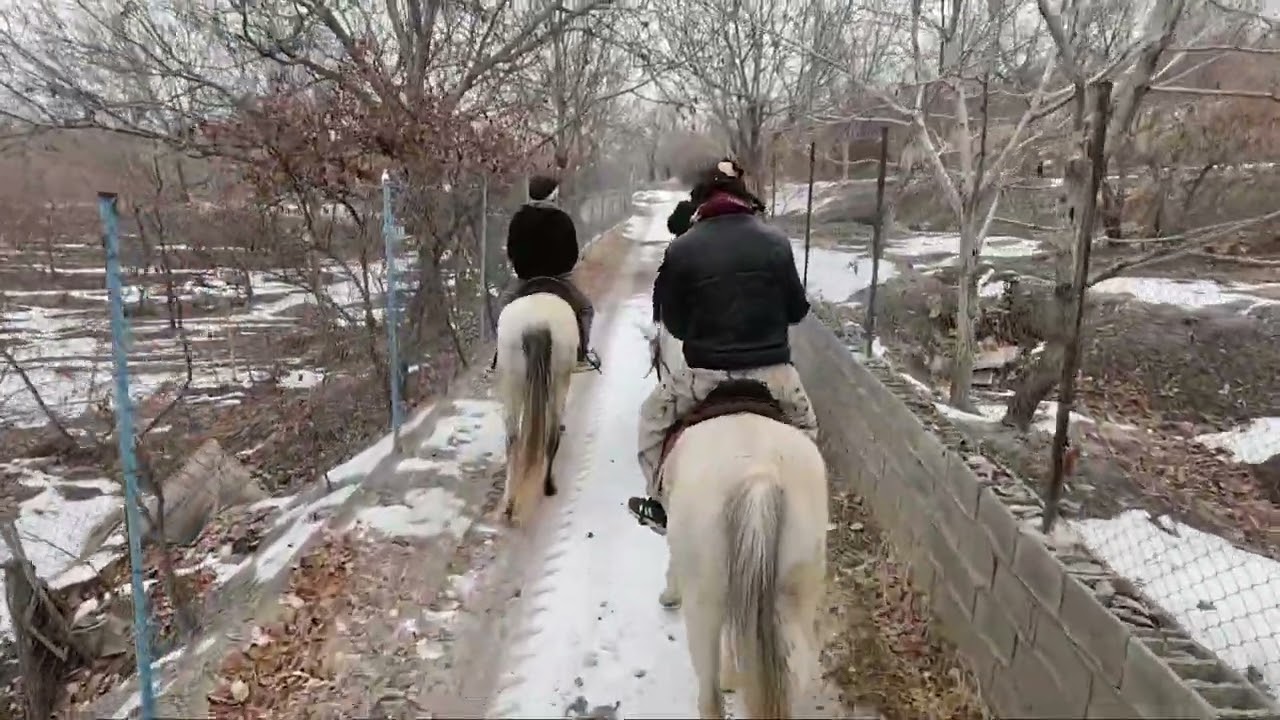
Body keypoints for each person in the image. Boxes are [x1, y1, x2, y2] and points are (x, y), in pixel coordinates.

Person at [629, 159, 819, 535]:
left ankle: (658, 503)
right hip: (775, 375)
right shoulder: (776, 241)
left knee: (652, 421)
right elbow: (797, 311)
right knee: (808, 432)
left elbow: (677, 326)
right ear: (744, 197)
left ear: (701, 201)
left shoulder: (683, 248)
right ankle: (807, 507)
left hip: (704, 377)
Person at [497, 174, 599, 372]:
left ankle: (500, 355)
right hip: (560, 280)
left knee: (502, 306)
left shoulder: (518, 219)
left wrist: (524, 267)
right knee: (586, 309)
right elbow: (572, 254)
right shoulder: (563, 219)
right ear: (552, 196)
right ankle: (581, 354)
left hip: (525, 280)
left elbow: (511, 251)